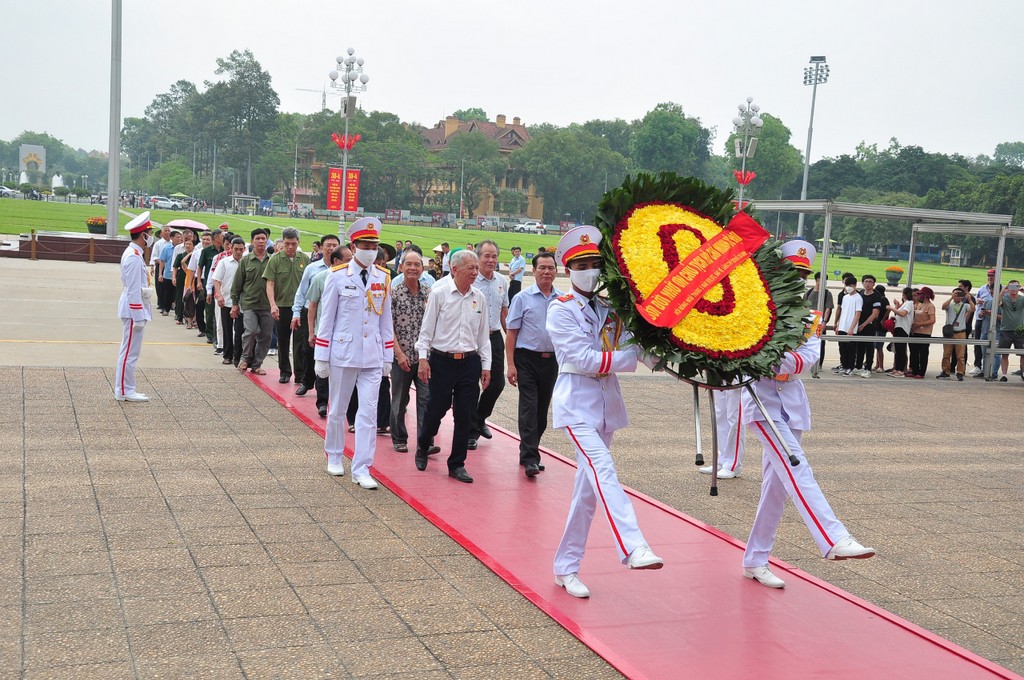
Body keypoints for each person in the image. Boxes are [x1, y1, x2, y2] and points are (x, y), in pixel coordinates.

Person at [741, 240, 875, 589]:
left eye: (803, 274)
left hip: (793, 407)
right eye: (791, 272)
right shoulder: (755, 310)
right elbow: (751, 356)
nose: (798, 280)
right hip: (762, 404)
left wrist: (772, 358)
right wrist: (775, 359)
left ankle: (756, 558)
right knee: (796, 464)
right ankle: (833, 538)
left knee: (776, 488)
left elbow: (805, 360)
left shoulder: (810, 318)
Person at [546, 226, 663, 599]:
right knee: (603, 468)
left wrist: (674, 355)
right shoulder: (560, 309)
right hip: (576, 404)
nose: (590, 270)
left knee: (587, 493)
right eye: (581, 264)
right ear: (569, 269)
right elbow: (583, 360)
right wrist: (632, 358)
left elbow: (641, 347)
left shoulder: (613, 308)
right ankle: (633, 546)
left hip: (606, 405)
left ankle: (566, 566)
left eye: (595, 263)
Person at [313, 218, 394, 489]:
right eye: (365, 244)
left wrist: (388, 356)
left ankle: (362, 467)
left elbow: (386, 320)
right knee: (337, 409)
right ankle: (334, 455)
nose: (371, 249)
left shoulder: (382, 277)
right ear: (353, 245)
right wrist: (321, 356)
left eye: (374, 245)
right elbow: (327, 318)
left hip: (371, 355)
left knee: (368, 414)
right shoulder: (337, 276)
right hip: (343, 352)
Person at [414, 249, 491, 483]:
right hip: (441, 361)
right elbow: (426, 330)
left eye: (477, 268)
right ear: (455, 269)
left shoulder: (479, 297)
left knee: (465, 415)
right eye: (471, 268)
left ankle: (457, 464)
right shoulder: (439, 294)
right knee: (436, 409)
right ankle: (423, 444)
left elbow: (483, 336)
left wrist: (486, 366)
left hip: (469, 363)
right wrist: (423, 359)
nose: (476, 273)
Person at [506, 251, 561, 478]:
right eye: (542, 268)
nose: (546, 272)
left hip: (551, 361)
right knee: (529, 407)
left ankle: (529, 450)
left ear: (556, 272)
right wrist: (511, 365)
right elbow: (511, 333)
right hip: (526, 359)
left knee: (541, 412)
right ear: (534, 270)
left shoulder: (563, 300)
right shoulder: (522, 298)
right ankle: (531, 458)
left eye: (550, 268)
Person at [468, 240, 509, 449]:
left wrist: (511, 337)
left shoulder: (502, 280)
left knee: (497, 384)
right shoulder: (471, 281)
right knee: (472, 386)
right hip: (472, 339)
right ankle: (470, 431)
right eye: (487, 256)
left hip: (494, 338)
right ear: (478, 257)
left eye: (494, 256)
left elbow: (504, 312)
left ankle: (478, 419)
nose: (491, 260)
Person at [390, 249, 431, 453]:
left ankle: (424, 442)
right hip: (401, 357)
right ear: (401, 267)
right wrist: (399, 354)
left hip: (424, 359)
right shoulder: (394, 294)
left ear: (422, 269)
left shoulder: (429, 294)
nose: (413, 268)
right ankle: (399, 437)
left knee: (426, 400)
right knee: (399, 399)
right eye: (409, 264)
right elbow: (388, 327)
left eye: (417, 265)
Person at [292, 233, 340, 396]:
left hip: (332, 315)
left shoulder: (343, 270)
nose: (331, 248)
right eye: (328, 245)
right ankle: (307, 382)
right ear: (321, 248)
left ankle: (324, 388)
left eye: (335, 245)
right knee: (308, 349)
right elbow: (301, 292)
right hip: (311, 313)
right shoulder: (312, 269)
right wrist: (296, 313)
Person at [307, 244, 352, 418]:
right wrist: (312, 332)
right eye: (348, 261)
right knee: (322, 370)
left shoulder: (352, 278)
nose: (351, 264)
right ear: (336, 261)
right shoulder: (321, 278)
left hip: (343, 335)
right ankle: (323, 403)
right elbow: (312, 306)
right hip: (324, 332)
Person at [114, 212, 156, 402]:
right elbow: (132, 289)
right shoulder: (132, 256)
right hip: (133, 310)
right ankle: (124, 390)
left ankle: (126, 388)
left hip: (135, 308)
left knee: (131, 351)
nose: (151, 236)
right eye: (150, 232)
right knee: (130, 352)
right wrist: (138, 315)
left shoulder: (135, 254)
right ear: (143, 235)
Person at [264, 227, 311, 385]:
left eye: (293, 244)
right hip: (282, 306)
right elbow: (270, 283)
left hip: (300, 308)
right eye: (287, 244)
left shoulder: (305, 260)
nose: (290, 247)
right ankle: (285, 371)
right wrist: (272, 305)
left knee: (300, 342)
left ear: (299, 243)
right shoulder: (275, 260)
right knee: (283, 340)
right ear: (282, 243)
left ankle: (299, 373)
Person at [232, 229, 273, 375]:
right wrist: (235, 304)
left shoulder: (272, 260)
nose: (261, 241)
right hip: (249, 304)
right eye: (258, 239)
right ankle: (244, 359)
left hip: (267, 305)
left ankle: (257, 364)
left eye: (263, 238)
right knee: (251, 331)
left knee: (266, 336)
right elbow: (237, 285)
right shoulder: (245, 261)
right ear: (253, 241)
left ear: (267, 240)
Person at [212, 237, 245, 367]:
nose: (238, 252)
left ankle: (238, 355)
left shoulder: (246, 262)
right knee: (227, 329)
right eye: (236, 249)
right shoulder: (224, 262)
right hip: (226, 300)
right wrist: (218, 295)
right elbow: (217, 280)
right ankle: (227, 355)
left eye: (241, 249)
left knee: (240, 331)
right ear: (230, 248)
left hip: (242, 302)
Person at [937, 287, 974, 381]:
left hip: (960, 332)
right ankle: (945, 371)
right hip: (949, 332)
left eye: (959, 295)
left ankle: (960, 372)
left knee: (960, 355)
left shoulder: (964, 305)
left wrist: (969, 300)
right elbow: (943, 307)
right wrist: (950, 298)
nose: (957, 297)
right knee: (946, 354)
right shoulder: (950, 304)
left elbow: (973, 309)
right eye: (955, 294)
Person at [970, 269, 999, 376]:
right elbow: (976, 300)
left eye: (992, 276)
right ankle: (978, 366)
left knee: (992, 345)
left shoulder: (1001, 289)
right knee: (978, 343)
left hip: (994, 320)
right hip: (980, 319)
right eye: (988, 276)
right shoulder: (982, 288)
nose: (990, 278)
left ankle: (991, 370)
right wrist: (977, 301)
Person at [994, 280, 1024, 382]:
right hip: (1006, 329)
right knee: (1004, 353)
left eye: (1016, 286)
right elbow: (996, 303)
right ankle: (1004, 374)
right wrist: (1003, 291)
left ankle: (1023, 372)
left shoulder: (1022, 299)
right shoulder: (1005, 299)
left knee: (1022, 353)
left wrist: (1023, 291)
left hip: (1020, 330)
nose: (1014, 289)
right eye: (1012, 287)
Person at [804, 271, 833, 374]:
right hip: (808, 322)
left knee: (820, 343)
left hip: (820, 322)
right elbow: (804, 307)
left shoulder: (827, 293)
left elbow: (828, 309)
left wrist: (824, 321)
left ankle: (819, 364)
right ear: (817, 280)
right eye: (822, 280)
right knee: (807, 343)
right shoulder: (808, 292)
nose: (824, 282)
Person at [833, 275, 862, 376]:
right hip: (842, 326)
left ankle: (850, 367)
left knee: (851, 349)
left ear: (854, 285)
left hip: (851, 328)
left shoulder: (858, 298)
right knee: (842, 348)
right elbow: (842, 311)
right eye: (846, 285)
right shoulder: (845, 297)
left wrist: (852, 328)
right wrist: (838, 325)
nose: (848, 287)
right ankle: (844, 366)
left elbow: (857, 314)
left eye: (850, 285)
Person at [854, 274, 883, 376]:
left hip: (869, 325)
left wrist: (864, 325)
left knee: (869, 347)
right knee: (859, 346)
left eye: (870, 282)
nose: (868, 284)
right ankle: (858, 366)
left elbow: (875, 313)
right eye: (866, 281)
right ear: (862, 283)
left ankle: (868, 368)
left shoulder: (876, 296)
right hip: (859, 324)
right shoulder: (860, 294)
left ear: (874, 284)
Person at [908, 286, 936, 379]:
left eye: (920, 294)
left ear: (926, 295)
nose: (918, 296)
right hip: (915, 332)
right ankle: (914, 370)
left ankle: (921, 372)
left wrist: (919, 324)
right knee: (914, 352)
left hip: (924, 333)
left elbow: (932, 320)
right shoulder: (920, 305)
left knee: (923, 353)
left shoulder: (930, 306)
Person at [887, 287, 915, 378]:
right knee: (898, 350)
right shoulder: (905, 303)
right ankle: (896, 368)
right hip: (898, 327)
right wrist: (896, 306)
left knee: (901, 350)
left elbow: (903, 314)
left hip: (903, 328)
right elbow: (898, 313)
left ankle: (901, 370)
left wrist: (891, 308)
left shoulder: (909, 303)